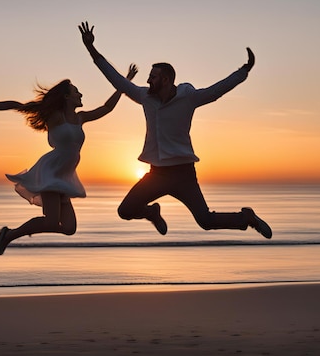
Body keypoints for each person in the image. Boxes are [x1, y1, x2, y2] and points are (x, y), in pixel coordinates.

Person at [78, 21, 272, 239]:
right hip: (156, 174)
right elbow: (117, 80)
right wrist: (91, 48)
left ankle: (246, 218)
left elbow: (216, 91)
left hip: (183, 175)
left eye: (153, 76)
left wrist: (243, 71)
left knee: (206, 221)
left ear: (166, 79)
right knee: (125, 211)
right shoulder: (145, 97)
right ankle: (151, 211)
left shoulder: (188, 98)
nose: (148, 80)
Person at [0, 64, 138, 255]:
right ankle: (9, 235)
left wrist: (124, 83)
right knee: (51, 221)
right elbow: (14, 105)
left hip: (66, 176)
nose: (81, 95)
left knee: (69, 228)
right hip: (51, 172)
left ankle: (9, 234)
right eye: (77, 92)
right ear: (67, 97)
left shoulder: (80, 118)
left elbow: (107, 107)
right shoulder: (54, 116)